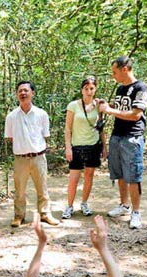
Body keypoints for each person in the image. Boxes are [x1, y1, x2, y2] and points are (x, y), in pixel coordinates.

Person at [98, 56, 147, 229]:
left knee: (133, 176)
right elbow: (121, 107)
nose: (113, 76)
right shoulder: (120, 89)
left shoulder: (140, 88)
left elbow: (135, 114)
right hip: (117, 135)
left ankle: (136, 212)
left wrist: (110, 110)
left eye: (114, 72)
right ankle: (124, 205)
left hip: (132, 137)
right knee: (119, 174)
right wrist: (107, 104)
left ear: (125, 69)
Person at [5, 81, 59, 227]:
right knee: (20, 190)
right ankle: (19, 216)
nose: (23, 93)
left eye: (26, 91)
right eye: (20, 91)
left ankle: (45, 214)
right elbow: (10, 138)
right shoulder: (11, 117)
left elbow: (45, 135)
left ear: (32, 93)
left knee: (42, 187)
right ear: (17, 95)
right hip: (20, 159)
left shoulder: (42, 114)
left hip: (39, 157)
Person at [61, 76, 107, 219]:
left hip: (93, 145)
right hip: (77, 146)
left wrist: (104, 146)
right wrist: (68, 147)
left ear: (95, 89)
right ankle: (69, 206)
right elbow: (68, 128)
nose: (89, 91)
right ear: (82, 90)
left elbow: (101, 128)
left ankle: (84, 203)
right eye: (86, 88)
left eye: (91, 88)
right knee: (74, 178)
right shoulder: (73, 105)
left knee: (89, 175)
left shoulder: (99, 106)